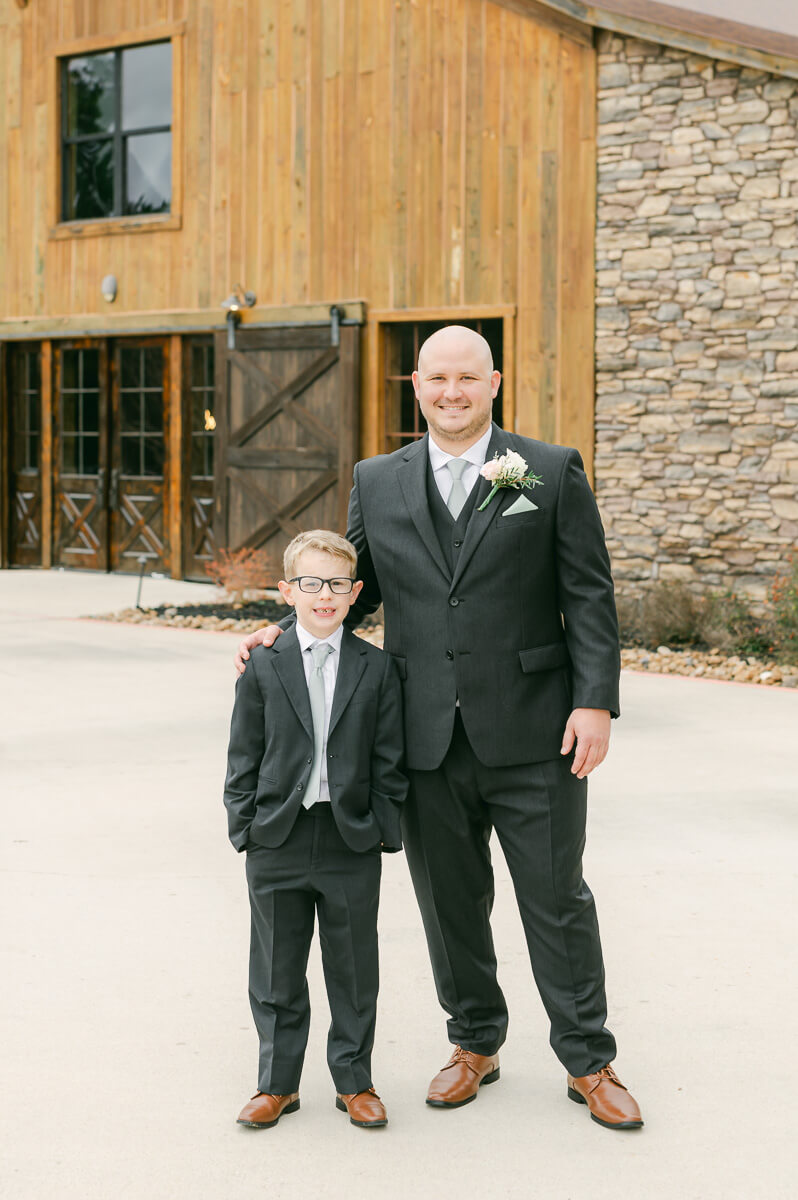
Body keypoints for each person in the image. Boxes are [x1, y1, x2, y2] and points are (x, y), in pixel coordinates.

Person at [236, 326, 643, 1131]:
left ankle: (589, 1060)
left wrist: (594, 700)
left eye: (467, 378)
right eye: (436, 380)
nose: (451, 392)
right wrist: (282, 630)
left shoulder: (548, 470)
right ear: (413, 387)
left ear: (493, 382)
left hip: (537, 731)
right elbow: (347, 588)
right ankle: (475, 1044)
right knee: (448, 902)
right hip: (421, 735)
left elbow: (588, 594)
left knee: (556, 898)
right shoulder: (376, 479)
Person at [224, 530, 407, 1131]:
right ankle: (277, 1083)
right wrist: (245, 825)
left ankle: (355, 1081)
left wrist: (383, 826)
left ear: (354, 593)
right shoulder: (264, 663)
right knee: (276, 968)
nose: (322, 595)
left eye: (334, 585)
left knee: (354, 967)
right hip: (277, 835)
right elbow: (243, 753)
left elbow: (389, 760)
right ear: (287, 591)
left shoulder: (376, 668)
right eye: (309, 583)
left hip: (349, 836)